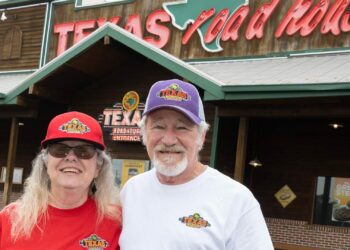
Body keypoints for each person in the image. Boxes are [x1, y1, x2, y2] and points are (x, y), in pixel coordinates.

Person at [119, 79, 274, 249]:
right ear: (144, 134)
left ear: (201, 136)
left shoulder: (237, 200)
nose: (169, 139)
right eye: (158, 126)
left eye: (182, 127)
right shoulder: (131, 190)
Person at [0, 111, 121, 249]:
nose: (71, 157)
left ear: (98, 168)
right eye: (60, 149)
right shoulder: (10, 219)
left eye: (84, 151)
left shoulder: (118, 222)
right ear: (46, 163)